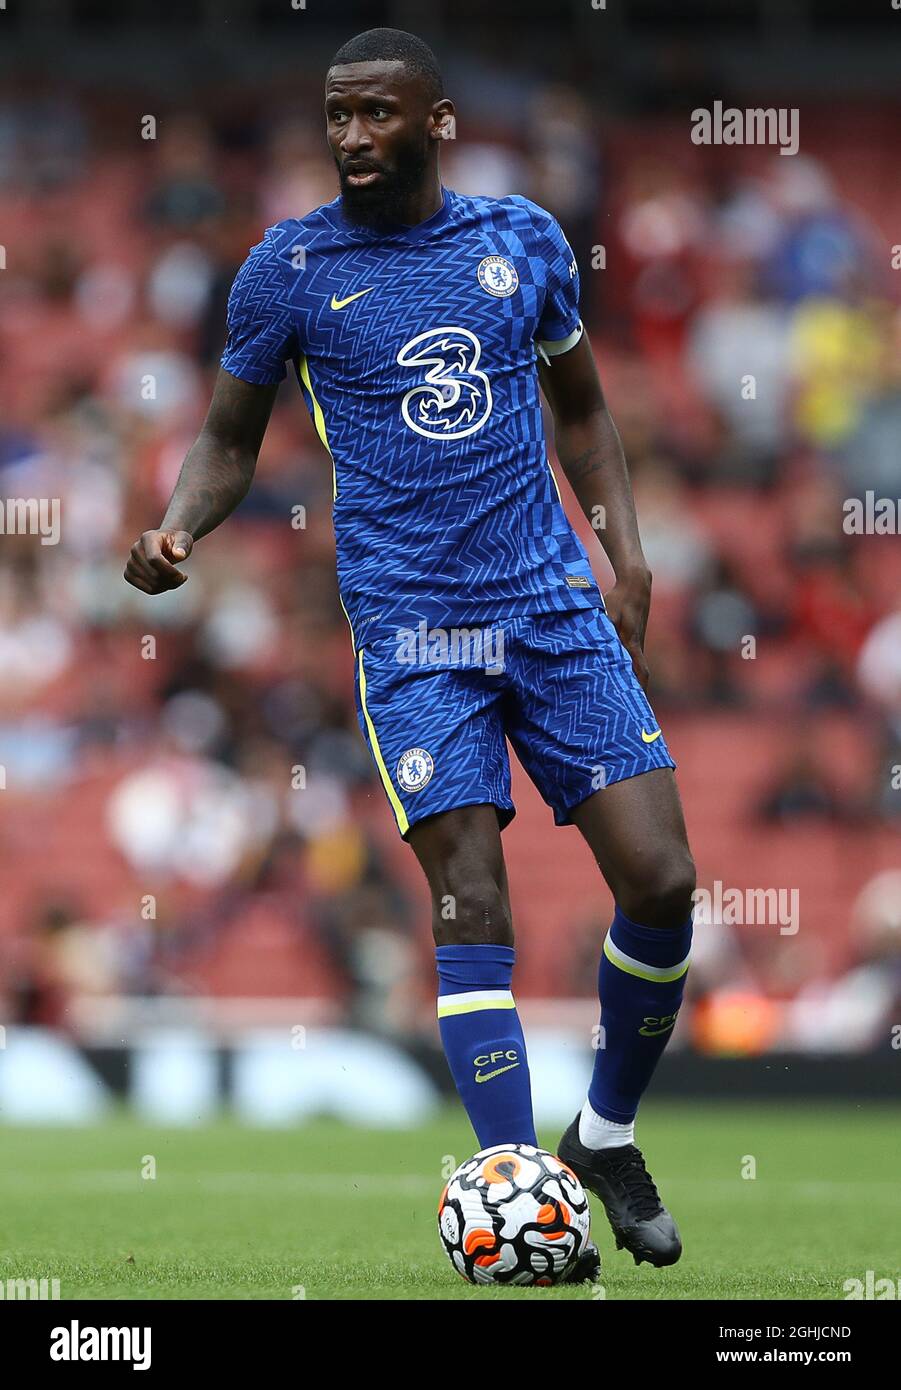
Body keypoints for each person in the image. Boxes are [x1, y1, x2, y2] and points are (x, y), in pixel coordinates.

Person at [124, 27, 696, 1276]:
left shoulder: (523, 241)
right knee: (467, 895)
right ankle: (516, 1183)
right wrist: (178, 525)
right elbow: (228, 437)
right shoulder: (287, 268)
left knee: (660, 881)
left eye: (377, 114)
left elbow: (584, 411)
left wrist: (627, 553)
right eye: (336, 116)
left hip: (549, 605)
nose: (350, 138)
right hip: (412, 628)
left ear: (436, 121)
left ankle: (600, 1133)